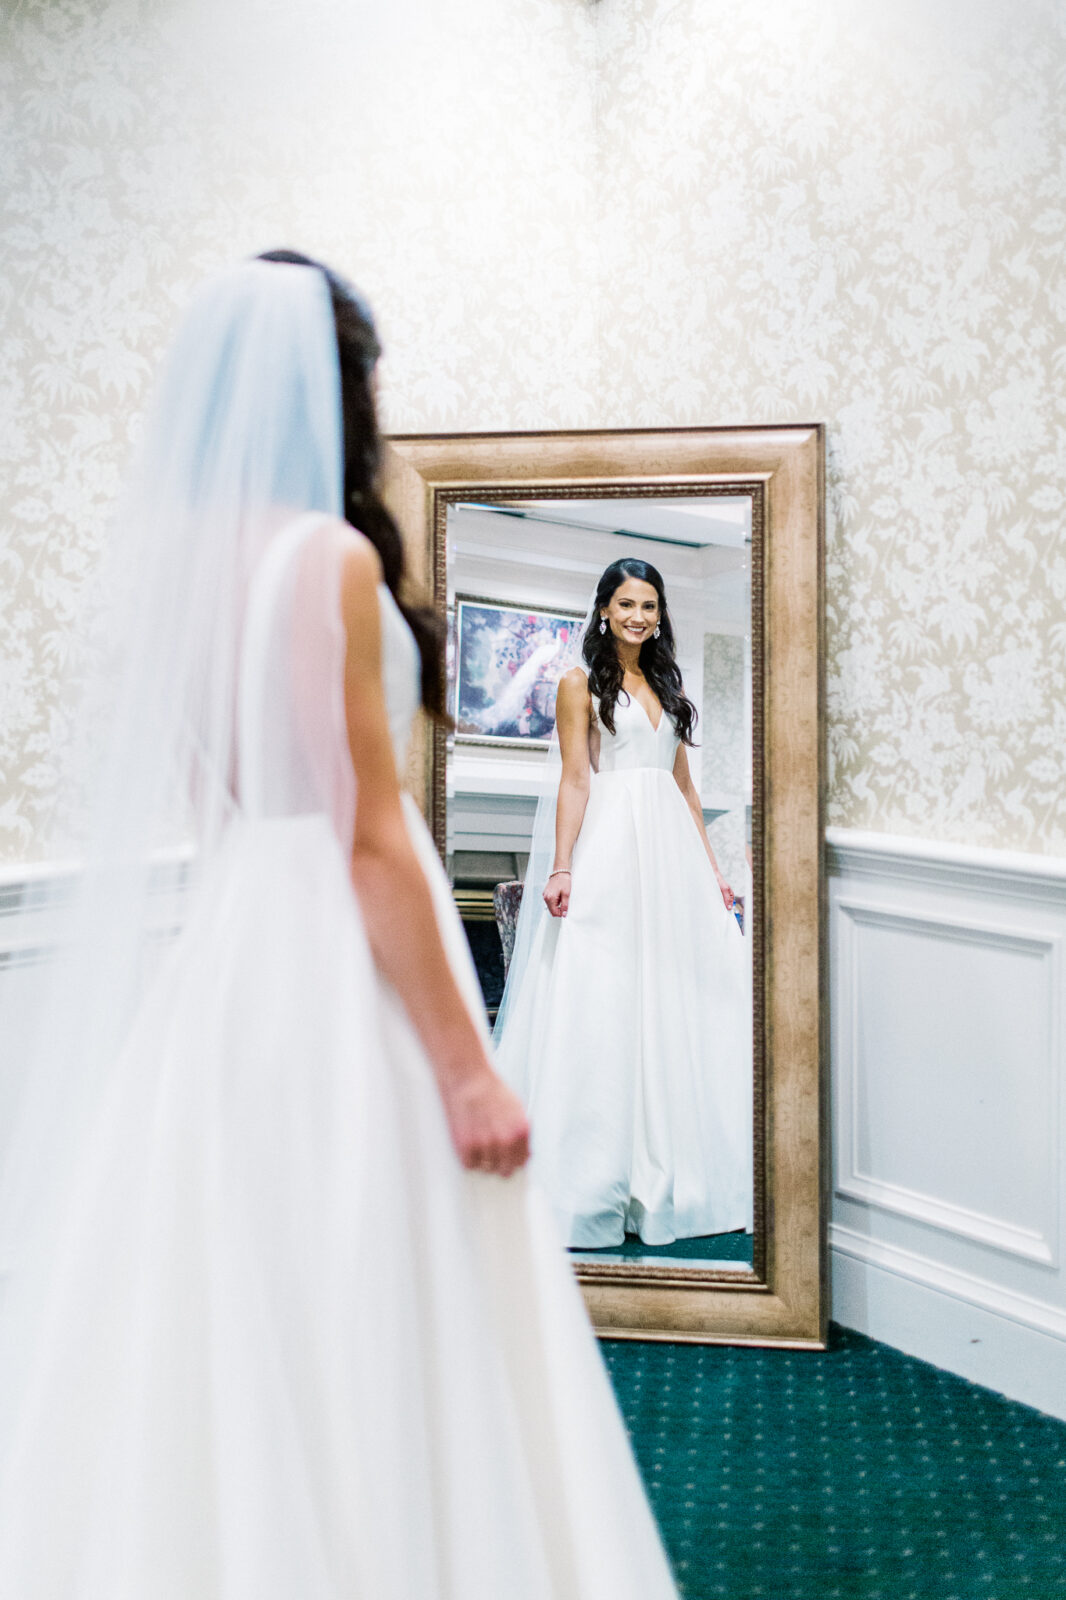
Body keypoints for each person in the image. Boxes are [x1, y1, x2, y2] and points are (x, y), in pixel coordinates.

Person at [0, 255, 679, 1598]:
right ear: (338, 386)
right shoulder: (324, 558)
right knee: (379, 1261)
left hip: (233, 943)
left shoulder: (177, 572)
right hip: (333, 931)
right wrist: (469, 1067)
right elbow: (369, 835)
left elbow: (219, 795)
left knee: (244, 1263)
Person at [494, 559, 753, 1250]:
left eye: (649, 604)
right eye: (626, 603)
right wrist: (561, 865)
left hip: (672, 855)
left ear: (660, 614)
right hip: (611, 849)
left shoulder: (668, 684)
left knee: (691, 993)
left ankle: (687, 1167)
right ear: (604, 609)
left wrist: (714, 875)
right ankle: (595, 1177)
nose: (638, 615)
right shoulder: (578, 684)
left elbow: (687, 790)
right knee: (605, 994)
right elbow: (575, 781)